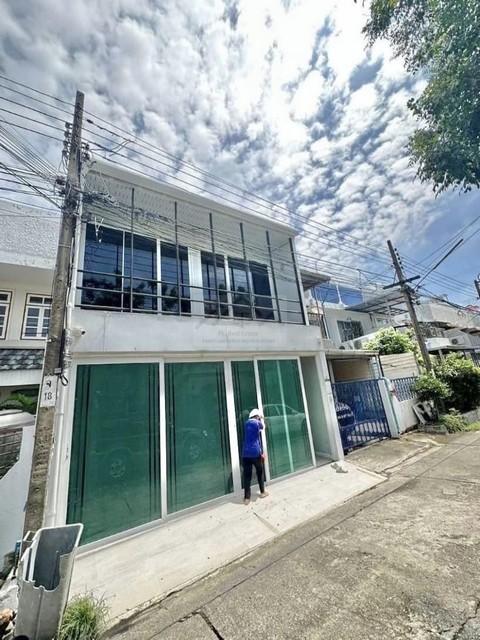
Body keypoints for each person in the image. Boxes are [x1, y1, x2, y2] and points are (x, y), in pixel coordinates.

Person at [242, 408, 269, 505]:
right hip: (255, 452)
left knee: (247, 476)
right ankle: (262, 492)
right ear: (257, 416)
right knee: (259, 472)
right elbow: (263, 427)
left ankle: (247, 498)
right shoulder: (257, 423)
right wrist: (262, 418)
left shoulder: (246, 423)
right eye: (259, 417)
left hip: (245, 453)